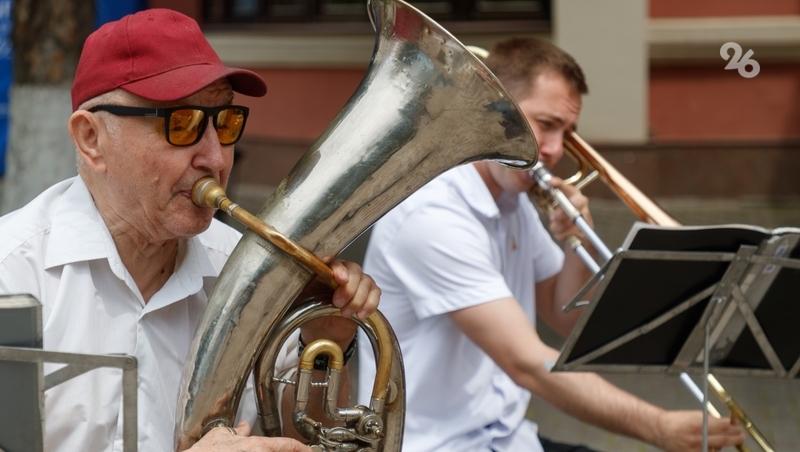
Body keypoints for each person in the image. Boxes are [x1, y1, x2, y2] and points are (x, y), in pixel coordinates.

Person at [0, 9, 380, 452]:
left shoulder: (246, 272)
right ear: (91, 138)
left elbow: (308, 439)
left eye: (226, 123)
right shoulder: (11, 273)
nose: (216, 159)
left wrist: (326, 341)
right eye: (180, 124)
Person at [357, 38, 744, 451]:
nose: (557, 150)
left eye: (568, 132)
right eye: (545, 125)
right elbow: (528, 363)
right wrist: (658, 426)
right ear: (492, 108)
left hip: (504, 436)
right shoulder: (432, 215)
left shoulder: (511, 199)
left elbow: (568, 320)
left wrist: (574, 242)